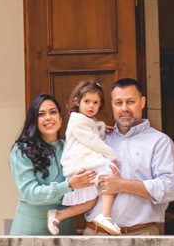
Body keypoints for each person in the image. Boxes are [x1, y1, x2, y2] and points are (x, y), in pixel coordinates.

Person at [83, 78, 174, 235]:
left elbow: (170, 188)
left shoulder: (159, 142)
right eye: (118, 103)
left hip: (140, 235)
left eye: (130, 102)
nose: (124, 108)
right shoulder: (99, 139)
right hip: (95, 234)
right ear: (112, 105)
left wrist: (122, 185)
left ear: (142, 102)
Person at [8, 93, 96, 236]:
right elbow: (30, 193)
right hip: (29, 228)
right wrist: (68, 185)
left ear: (60, 119)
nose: (48, 117)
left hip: (64, 225)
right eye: (41, 114)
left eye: (53, 112)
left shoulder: (70, 147)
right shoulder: (22, 150)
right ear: (33, 120)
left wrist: (100, 131)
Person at [47, 81, 121, 236]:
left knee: (91, 201)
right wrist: (111, 156)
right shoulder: (77, 120)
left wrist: (101, 127)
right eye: (86, 101)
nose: (91, 106)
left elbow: (93, 133)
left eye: (95, 102)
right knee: (109, 171)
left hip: (85, 160)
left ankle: (58, 215)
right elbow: (92, 141)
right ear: (77, 102)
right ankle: (106, 216)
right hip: (80, 160)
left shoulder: (88, 120)